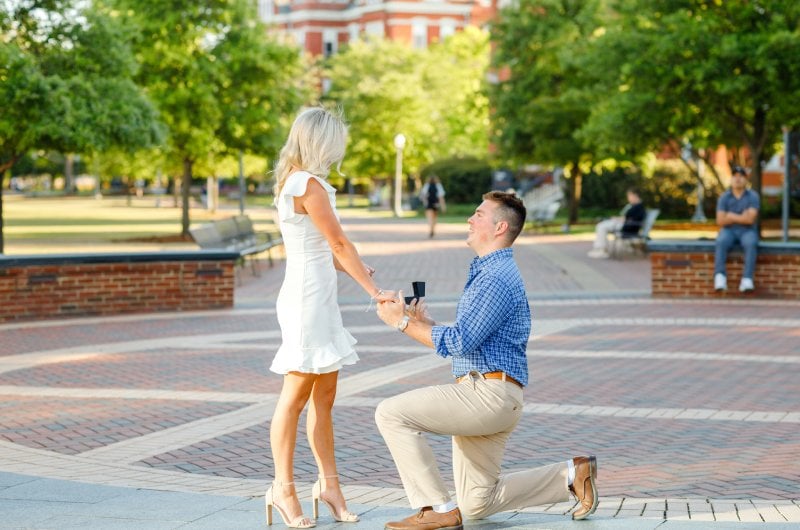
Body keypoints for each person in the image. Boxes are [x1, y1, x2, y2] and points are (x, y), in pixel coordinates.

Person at [375, 191, 598, 530]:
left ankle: (436, 507)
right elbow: (471, 339)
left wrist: (401, 323)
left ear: (500, 227)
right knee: (478, 502)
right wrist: (425, 324)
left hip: (486, 396)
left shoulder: (495, 278)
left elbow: (459, 342)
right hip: (496, 396)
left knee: (390, 413)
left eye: (478, 214)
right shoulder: (491, 272)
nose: (469, 218)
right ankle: (571, 474)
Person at [266, 107, 395, 528]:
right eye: (337, 138)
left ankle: (330, 485)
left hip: (319, 298)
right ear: (322, 141)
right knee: (296, 396)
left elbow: (325, 250)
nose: (341, 146)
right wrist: (375, 292)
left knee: (324, 399)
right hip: (305, 302)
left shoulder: (306, 183)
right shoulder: (308, 185)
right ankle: (282, 489)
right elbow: (338, 244)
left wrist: (357, 268)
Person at [714, 165, 760, 292]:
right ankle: (720, 276)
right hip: (728, 230)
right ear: (731, 179)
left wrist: (730, 215)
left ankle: (747, 279)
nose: (737, 179)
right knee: (721, 241)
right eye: (735, 176)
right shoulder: (724, 197)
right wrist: (741, 216)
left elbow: (750, 220)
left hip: (747, 230)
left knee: (751, 243)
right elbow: (720, 220)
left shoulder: (753, 196)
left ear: (746, 180)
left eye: (741, 176)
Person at [588, 187, 646, 258]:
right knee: (602, 225)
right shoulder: (635, 206)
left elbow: (630, 220)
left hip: (626, 227)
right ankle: (600, 249)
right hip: (624, 225)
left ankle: (601, 250)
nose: (628, 198)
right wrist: (616, 218)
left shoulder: (638, 207)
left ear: (635, 195)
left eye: (629, 196)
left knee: (601, 226)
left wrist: (618, 219)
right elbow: (628, 218)